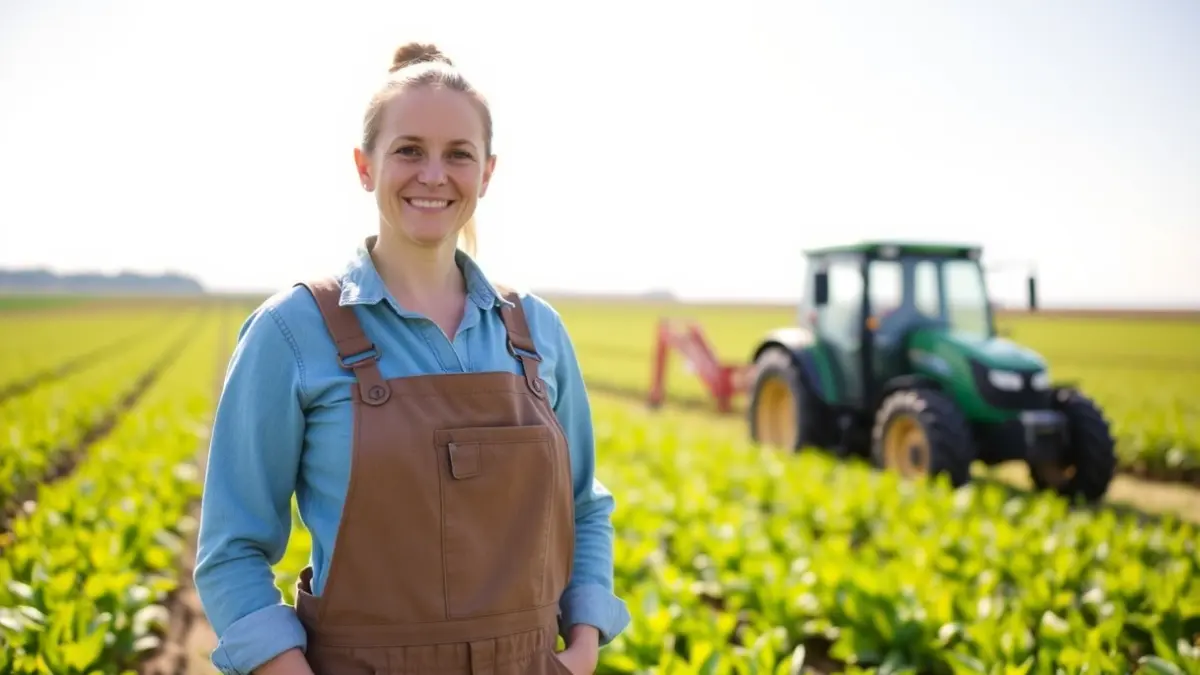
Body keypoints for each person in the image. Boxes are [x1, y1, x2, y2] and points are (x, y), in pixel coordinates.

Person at [193, 41, 631, 675]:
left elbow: (585, 506)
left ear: (487, 173)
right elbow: (231, 550)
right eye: (408, 151)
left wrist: (583, 646)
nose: (433, 175)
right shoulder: (291, 333)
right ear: (364, 166)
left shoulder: (536, 331)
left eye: (459, 155)